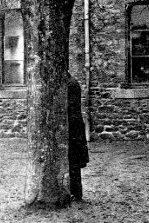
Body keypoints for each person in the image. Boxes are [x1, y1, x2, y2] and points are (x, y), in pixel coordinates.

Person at [68, 72, 89, 201]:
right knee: (72, 161)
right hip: (72, 126)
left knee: (74, 161)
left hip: (73, 127)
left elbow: (69, 106)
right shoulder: (70, 82)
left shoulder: (71, 84)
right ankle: (74, 191)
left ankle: (76, 193)